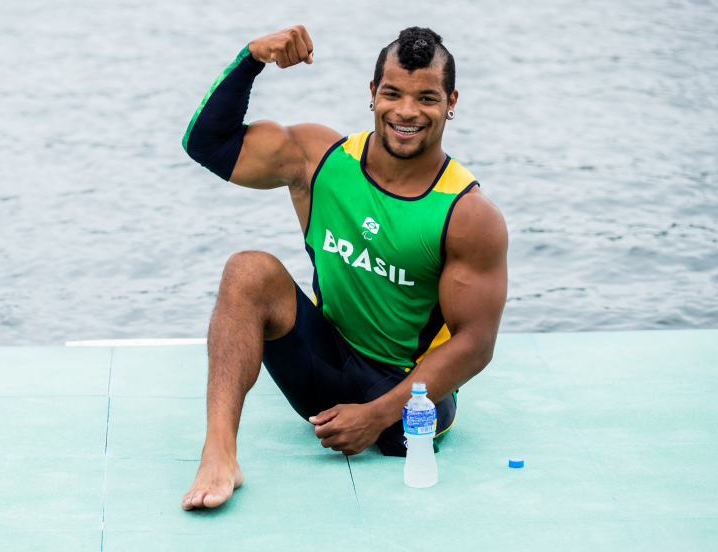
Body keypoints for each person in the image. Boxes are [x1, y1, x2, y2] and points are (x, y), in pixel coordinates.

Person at [180, 25, 508, 511]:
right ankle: (219, 454)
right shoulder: (320, 159)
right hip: (325, 360)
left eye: (427, 98)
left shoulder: (467, 214)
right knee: (247, 270)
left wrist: (376, 416)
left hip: (407, 391)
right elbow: (207, 146)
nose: (407, 112)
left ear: (451, 101)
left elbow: (475, 344)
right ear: (373, 93)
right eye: (393, 93)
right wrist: (252, 58)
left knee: (399, 442)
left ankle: (381, 422)